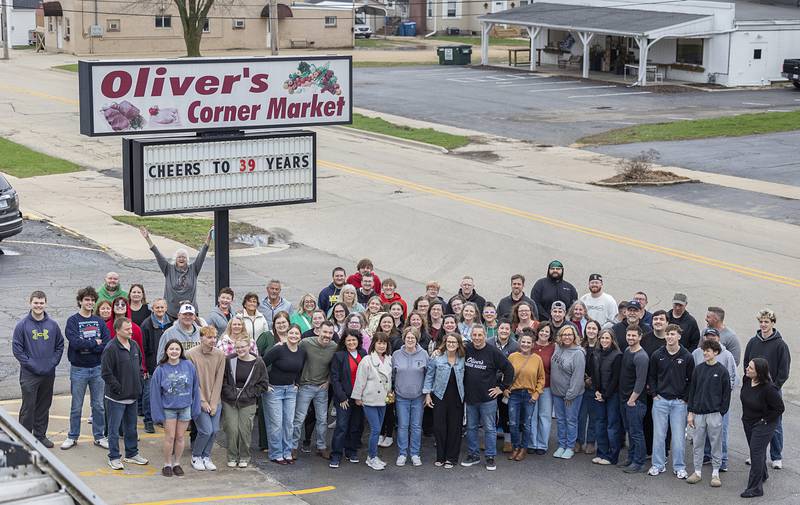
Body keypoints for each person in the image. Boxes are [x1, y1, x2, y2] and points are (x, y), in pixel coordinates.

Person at [12, 291, 64, 448]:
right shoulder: (22, 325)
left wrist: (52, 363)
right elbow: (17, 349)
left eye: (41, 303)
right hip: (29, 375)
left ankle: (40, 436)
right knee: (28, 407)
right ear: (30, 303)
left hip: (48, 373)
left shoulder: (53, 325)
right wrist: (32, 365)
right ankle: (24, 438)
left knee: (44, 406)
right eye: (36, 303)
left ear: (46, 304)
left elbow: (59, 345)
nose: (38, 306)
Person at [62, 287, 111, 451]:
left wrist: (92, 345)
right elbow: (75, 343)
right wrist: (94, 343)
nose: (89, 303)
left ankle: (99, 436)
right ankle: (72, 436)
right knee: (76, 406)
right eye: (86, 299)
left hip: (97, 369)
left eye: (92, 300)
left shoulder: (99, 321)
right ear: (80, 301)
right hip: (79, 369)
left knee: (98, 405)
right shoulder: (73, 321)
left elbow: (105, 344)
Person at [742, 308, 790, 470]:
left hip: (771, 391)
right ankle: (755, 454)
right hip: (754, 388)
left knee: (774, 423)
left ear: (773, 323)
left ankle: (776, 456)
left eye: (766, 322)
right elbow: (746, 363)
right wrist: (749, 384)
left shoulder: (780, 345)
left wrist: (774, 388)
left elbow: (784, 371)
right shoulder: (752, 342)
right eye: (761, 322)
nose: (763, 325)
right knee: (754, 423)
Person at [461, 325, 514, 471]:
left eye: (480, 335)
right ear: (471, 336)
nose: (477, 338)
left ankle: (490, 457)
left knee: (489, 428)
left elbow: (509, 369)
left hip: (488, 399)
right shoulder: (467, 349)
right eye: (475, 335)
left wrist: (501, 388)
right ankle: (473, 455)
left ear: (485, 335)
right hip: (471, 398)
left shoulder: (493, 352)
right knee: (471, 428)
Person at [647, 324, 694, 479]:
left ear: (679, 336)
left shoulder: (687, 356)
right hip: (660, 401)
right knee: (659, 435)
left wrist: (685, 399)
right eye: (667, 334)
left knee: (679, 437)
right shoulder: (657, 355)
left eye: (672, 334)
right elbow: (651, 376)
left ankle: (679, 467)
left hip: (679, 404)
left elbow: (691, 380)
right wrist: (654, 394)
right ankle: (658, 465)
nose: (669, 337)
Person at [101, 318, 149, 470]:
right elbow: (106, 373)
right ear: (118, 330)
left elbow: (140, 366)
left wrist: (139, 383)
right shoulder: (111, 348)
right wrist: (119, 388)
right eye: (127, 329)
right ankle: (114, 457)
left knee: (131, 428)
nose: (131, 331)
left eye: (131, 328)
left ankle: (132, 454)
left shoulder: (134, 345)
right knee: (114, 430)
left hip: (132, 396)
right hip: (116, 398)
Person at [149, 339, 202, 477]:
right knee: (170, 437)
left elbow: (196, 388)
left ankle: (177, 463)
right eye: (171, 349)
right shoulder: (160, 369)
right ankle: (167, 464)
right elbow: (154, 393)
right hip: (169, 409)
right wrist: (157, 414)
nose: (174, 351)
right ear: (166, 351)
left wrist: (195, 408)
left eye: (177, 349)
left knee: (180, 437)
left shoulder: (188, 365)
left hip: (185, 407)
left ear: (181, 351)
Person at [686, 340, 731, 487]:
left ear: (716, 352)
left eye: (709, 350)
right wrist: (690, 412)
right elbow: (692, 391)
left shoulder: (722, 371)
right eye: (704, 350)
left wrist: (721, 412)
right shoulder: (698, 369)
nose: (705, 353)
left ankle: (715, 473)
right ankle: (697, 472)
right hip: (698, 413)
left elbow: (726, 395)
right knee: (697, 443)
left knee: (715, 443)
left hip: (714, 414)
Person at [140, 226, 210, 318]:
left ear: (187, 259)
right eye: (179, 257)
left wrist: (209, 237)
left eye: (184, 257)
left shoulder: (194, 269)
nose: (181, 259)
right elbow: (157, 253)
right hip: (171, 314)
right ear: (175, 259)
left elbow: (203, 253)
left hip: (190, 313)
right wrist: (147, 238)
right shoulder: (168, 269)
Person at [692, 327, 737, 472]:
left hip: (717, 406)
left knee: (719, 435)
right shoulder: (697, 354)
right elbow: (693, 381)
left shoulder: (727, 356)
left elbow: (731, 379)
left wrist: (722, 408)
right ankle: (705, 457)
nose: (710, 338)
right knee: (701, 436)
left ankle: (721, 461)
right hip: (701, 405)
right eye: (707, 336)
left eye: (713, 336)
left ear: (718, 338)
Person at [740, 358, 785, 498]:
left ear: (759, 372)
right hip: (748, 421)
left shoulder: (769, 389)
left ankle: (755, 488)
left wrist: (765, 420)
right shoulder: (746, 380)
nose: (747, 369)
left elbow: (779, 408)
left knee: (756, 453)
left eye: (751, 368)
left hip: (764, 424)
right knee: (756, 451)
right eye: (748, 366)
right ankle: (763, 474)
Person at [221, 336, 269, 468]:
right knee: (231, 429)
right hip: (230, 400)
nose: (240, 349)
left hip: (247, 401)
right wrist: (229, 392)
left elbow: (263, 384)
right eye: (238, 347)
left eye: (243, 346)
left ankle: (244, 456)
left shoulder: (258, 362)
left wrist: (249, 393)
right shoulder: (230, 360)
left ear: (249, 346)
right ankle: (232, 456)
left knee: (245, 430)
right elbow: (223, 379)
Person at [263, 324, 307, 465]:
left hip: (290, 391)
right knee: (276, 424)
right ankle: (276, 453)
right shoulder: (278, 350)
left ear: (300, 336)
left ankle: (287, 452)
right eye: (291, 333)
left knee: (288, 423)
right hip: (274, 390)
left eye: (297, 334)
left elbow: (300, 370)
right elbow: (262, 364)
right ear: (287, 334)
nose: (294, 336)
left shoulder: (301, 352)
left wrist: (297, 383)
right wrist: (265, 384)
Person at [293, 321, 337, 459]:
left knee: (322, 419)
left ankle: (321, 447)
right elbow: (294, 356)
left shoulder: (334, 347)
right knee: (299, 419)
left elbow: (335, 366)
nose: (327, 335)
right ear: (319, 331)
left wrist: (329, 381)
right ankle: (293, 447)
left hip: (321, 388)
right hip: (305, 386)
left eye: (330, 333)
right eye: (325, 332)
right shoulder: (306, 343)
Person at [351, 332, 393, 471]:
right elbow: (360, 380)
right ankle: (371, 457)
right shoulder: (367, 360)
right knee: (375, 429)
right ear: (374, 343)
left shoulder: (389, 359)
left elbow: (389, 380)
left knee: (378, 428)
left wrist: (390, 393)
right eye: (379, 342)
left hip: (383, 400)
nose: (381, 346)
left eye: (384, 343)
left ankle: (374, 456)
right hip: (369, 399)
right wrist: (357, 397)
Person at [186, 326, 226, 472]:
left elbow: (219, 379)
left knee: (214, 430)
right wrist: (202, 401)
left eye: (215, 337)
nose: (213, 340)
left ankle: (206, 456)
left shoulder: (220, 355)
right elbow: (192, 381)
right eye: (209, 337)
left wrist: (214, 402)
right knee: (205, 430)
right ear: (201, 338)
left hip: (215, 400)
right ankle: (196, 456)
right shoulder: (190, 354)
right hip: (198, 400)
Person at [424, 332, 466, 468]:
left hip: (457, 397)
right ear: (445, 343)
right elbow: (429, 376)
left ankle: (451, 458)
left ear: (458, 344)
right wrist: (427, 394)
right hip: (440, 395)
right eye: (449, 342)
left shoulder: (463, 358)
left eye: (454, 342)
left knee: (455, 428)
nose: (451, 344)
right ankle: (440, 456)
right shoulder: (437, 357)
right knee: (439, 427)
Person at [329, 329, 366, 468]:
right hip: (344, 397)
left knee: (356, 425)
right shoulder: (339, 356)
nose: (351, 342)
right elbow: (335, 378)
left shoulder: (363, 354)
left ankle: (351, 451)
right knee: (342, 426)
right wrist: (342, 397)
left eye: (354, 340)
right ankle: (336, 454)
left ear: (358, 341)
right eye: (349, 340)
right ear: (344, 341)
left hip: (360, 397)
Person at [505, 332, 545, 461]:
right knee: (513, 423)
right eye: (523, 342)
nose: (525, 344)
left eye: (528, 342)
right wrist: (505, 389)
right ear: (519, 343)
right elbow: (506, 374)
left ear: (532, 344)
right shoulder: (512, 357)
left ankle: (524, 448)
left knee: (527, 424)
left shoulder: (537, 359)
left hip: (529, 394)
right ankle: (516, 447)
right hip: (514, 394)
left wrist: (536, 393)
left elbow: (541, 378)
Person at [392, 327, 428, 467]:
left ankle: (414, 454)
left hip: (418, 397)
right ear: (404, 338)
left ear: (417, 339)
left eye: (413, 338)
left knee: (416, 426)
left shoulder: (424, 354)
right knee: (402, 426)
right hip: (401, 397)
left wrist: (426, 393)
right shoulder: (396, 354)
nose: (410, 340)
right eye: (408, 337)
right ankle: (402, 453)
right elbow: (392, 375)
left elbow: (428, 375)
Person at [550, 325, 585, 460]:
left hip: (571, 395)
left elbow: (578, 377)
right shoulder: (558, 347)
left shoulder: (578, 353)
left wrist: (571, 394)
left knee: (570, 420)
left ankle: (570, 447)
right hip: (557, 393)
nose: (567, 337)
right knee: (560, 420)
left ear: (575, 336)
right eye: (564, 334)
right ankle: (561, 445)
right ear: (560, 336)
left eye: (570, 334)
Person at [619, 325, 649, 473]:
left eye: (633, 336)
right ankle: (630, 458)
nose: (630, 338)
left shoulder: (641, 356)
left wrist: (632, 400)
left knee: (637, 433)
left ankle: (639, 462)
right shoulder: (627, 351)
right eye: (628, 335)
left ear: (640, 337)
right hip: (624, 399)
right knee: (629, 431)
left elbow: (641, 381)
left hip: (635, 402)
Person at [591, 329, 622, 466]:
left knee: (612, 426)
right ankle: (601, 452)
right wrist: (597, 391)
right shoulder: (596, 353)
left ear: (612, 340)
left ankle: (612, 456)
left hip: (612, 395)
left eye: (607, 338)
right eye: (602, 338)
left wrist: (605, 395)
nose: (604, 340)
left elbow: (616, 379)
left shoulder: (617, 355)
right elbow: (594, 375)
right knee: (599, 424)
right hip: (599, 394)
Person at [140, 298, 170, 433]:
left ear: (166, 308)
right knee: (149, 394)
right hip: (152, 365)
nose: (160, 310)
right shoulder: (146, 325)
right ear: (153, 309)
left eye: (162, 307)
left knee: (165, 394)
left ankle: (161, 419)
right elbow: (143, 348)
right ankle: (148, 420)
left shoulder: (171, 324)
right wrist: (144, 367)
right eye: (157, 307)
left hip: (168, 365)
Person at [490, 319, 520, 453]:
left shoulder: (515, 346)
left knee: (505, 413)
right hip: (489, 383)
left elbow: (515, 368)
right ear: (498, 329)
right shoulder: (488, 342)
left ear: (510, 331)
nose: (504, 331)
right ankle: (487, 439)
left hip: (506, 384)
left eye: (507, 329)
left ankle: (508, 441)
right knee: (489, 412)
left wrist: (507, 386)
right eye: (502, 328)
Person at [529, 323, 555, 455]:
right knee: (532, 415)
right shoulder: (531, 346)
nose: (544, 333)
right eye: (542, 331)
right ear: (537, 332)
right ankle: (531, 443)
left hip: (547, 387)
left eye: (547, 332)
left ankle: (542, 444)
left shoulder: (553, 348)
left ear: (550, 334)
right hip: (531, 387)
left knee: (544, 416)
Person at [577, 319, 600, 454]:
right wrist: (585, 378)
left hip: (595, 386)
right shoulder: (581, 346)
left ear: (598, 331)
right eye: (589, 328)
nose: (591, 331)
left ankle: (591, 442)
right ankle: (579, 441)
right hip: (581, 385)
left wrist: (593, 380)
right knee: (581, 415)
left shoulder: (601, 346)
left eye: (594, 328)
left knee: (593, 416)